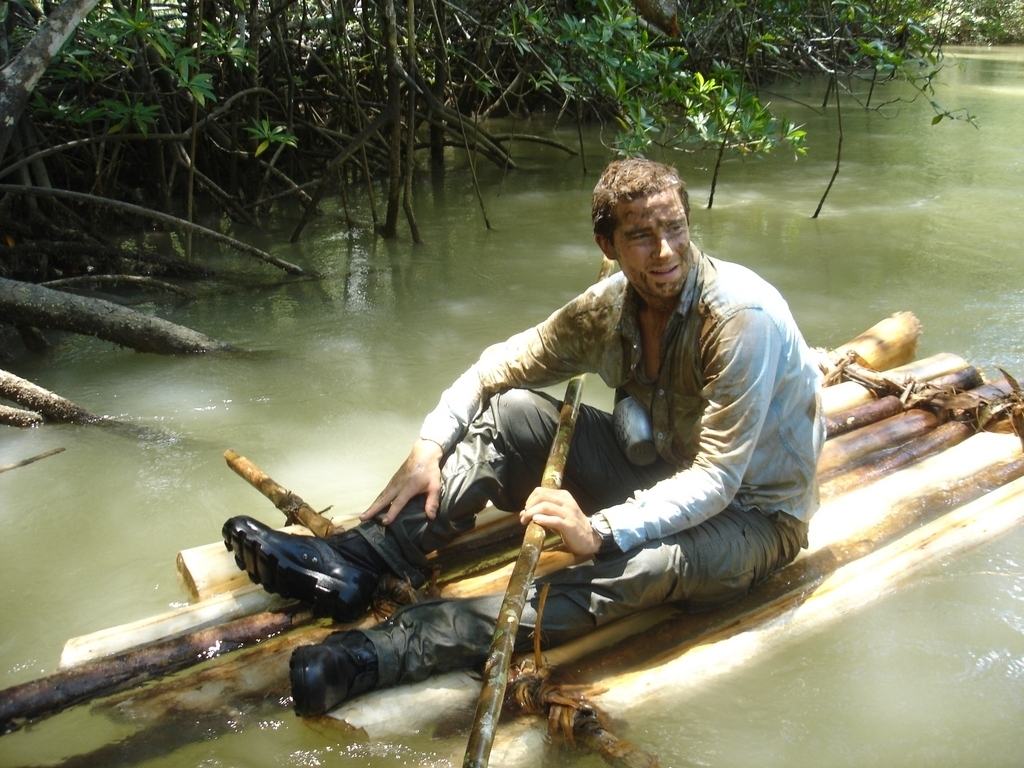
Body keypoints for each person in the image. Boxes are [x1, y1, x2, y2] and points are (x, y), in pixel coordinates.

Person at [223, 158, 825, 717]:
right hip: (663, 471)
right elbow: (496, 369)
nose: (665, 251)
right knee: (512, 414)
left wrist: (600, 531)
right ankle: (363, 558)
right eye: (642, 235)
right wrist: (429, 445)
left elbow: (718, 478)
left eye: (675, 228)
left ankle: (395, 648)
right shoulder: (607, 310)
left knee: (647, 561)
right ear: (608, 245)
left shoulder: (738, 321)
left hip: (754, 516)